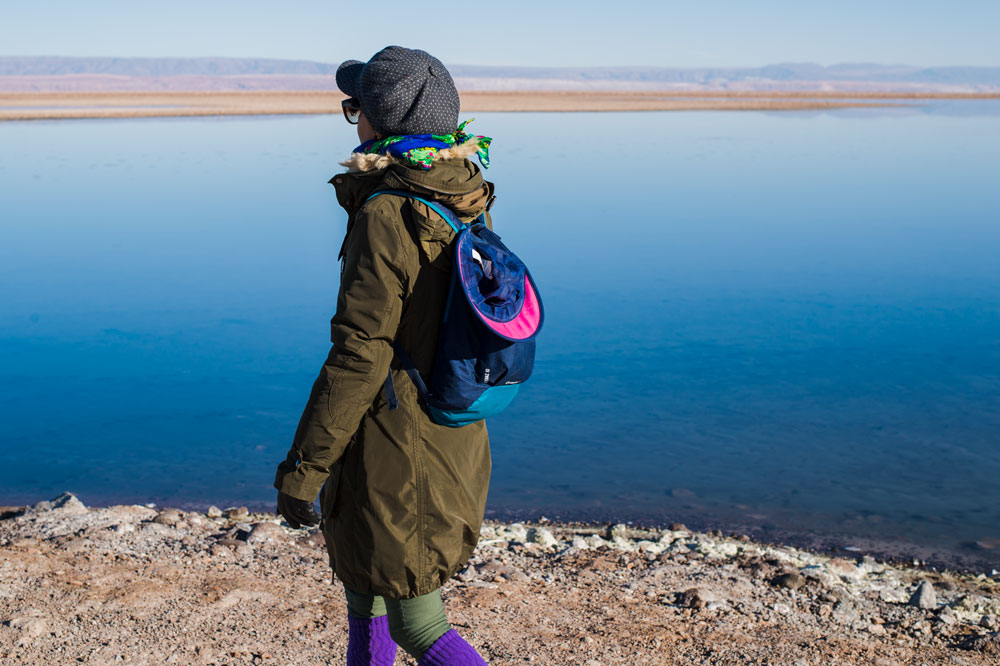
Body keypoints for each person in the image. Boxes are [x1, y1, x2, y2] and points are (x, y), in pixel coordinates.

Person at [274, 46, 496, 665]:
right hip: (435, 426)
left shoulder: (387, 213)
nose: (352, 119)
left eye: (355, 108)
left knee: (417, 623)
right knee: (363, 598)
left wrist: (305, 468)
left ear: (382, 123)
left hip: (401, 448)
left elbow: (360, 354)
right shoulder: (457, 193)